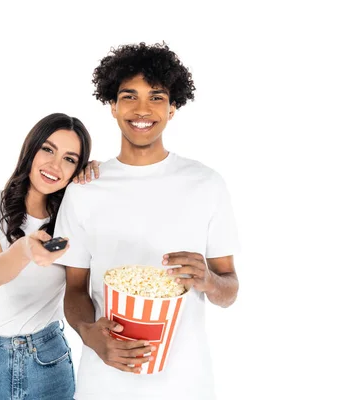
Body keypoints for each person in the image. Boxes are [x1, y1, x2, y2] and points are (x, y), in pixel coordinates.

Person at [54, 42, 240, 399]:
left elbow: (229, 290)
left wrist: (209, 280)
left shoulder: (207, 184)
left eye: (156, 97)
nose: (142, 109)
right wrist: (87, 331)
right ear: (112, 105)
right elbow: (75, 288)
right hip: (104, 384)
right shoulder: (85, 187)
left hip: (186, 384)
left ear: (173, 108)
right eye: (129, 96)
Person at [0, 112, 99, 400]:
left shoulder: (70, 222)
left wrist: (99, 180)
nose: (55, 165)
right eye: (48, 149)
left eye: (69, 159)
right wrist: (27, 248)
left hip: (47, 361)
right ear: (31, 149)